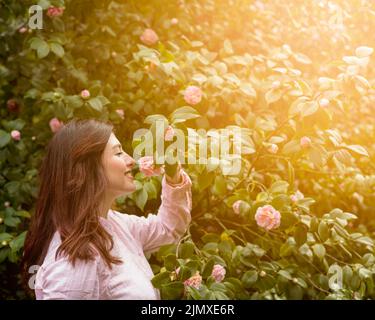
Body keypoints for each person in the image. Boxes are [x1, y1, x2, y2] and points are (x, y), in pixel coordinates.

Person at [21, 119, 192, 299]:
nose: (131, 160)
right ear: (87, 167)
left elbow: (168, 229)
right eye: (118, 153)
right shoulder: (72, 262)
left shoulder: (115, 224)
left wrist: (173, 174)